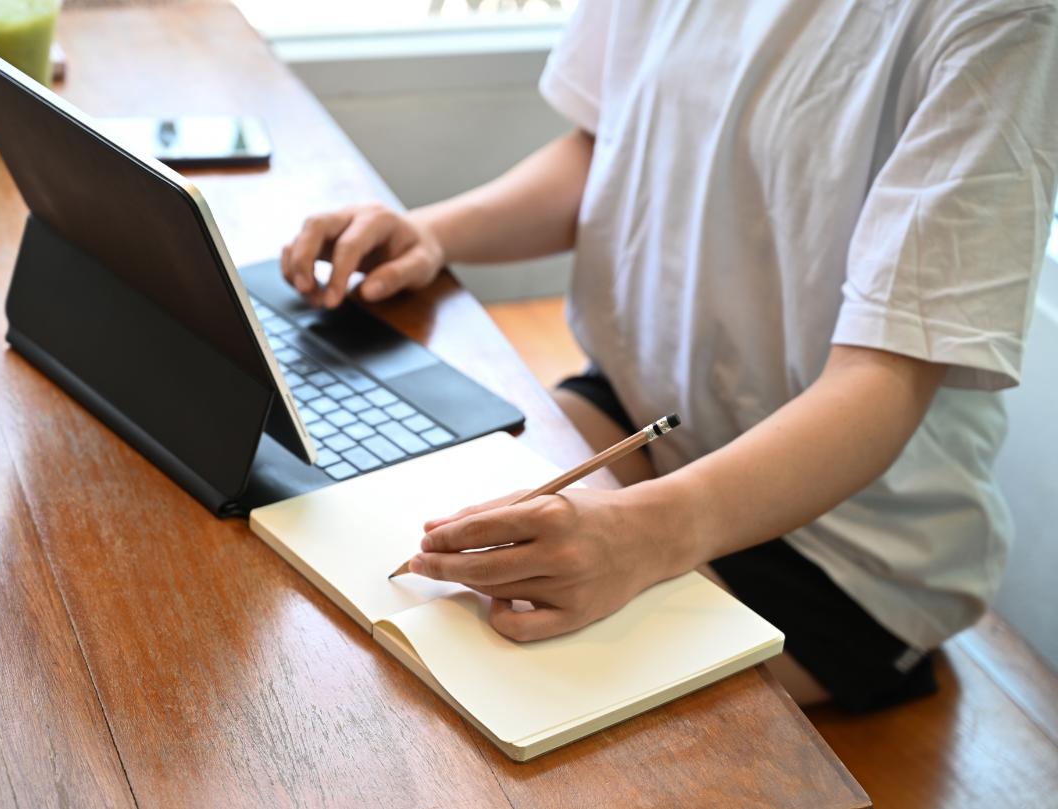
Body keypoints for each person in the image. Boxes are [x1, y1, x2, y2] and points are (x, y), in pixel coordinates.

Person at [279, 0, 1058, 711]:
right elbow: (606, 147)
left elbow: (885, 377)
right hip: (647, 407)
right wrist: (436, 231)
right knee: (365, 546)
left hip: (845, 541)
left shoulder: (999, 19)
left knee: (509, 699)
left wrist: (641, 535)